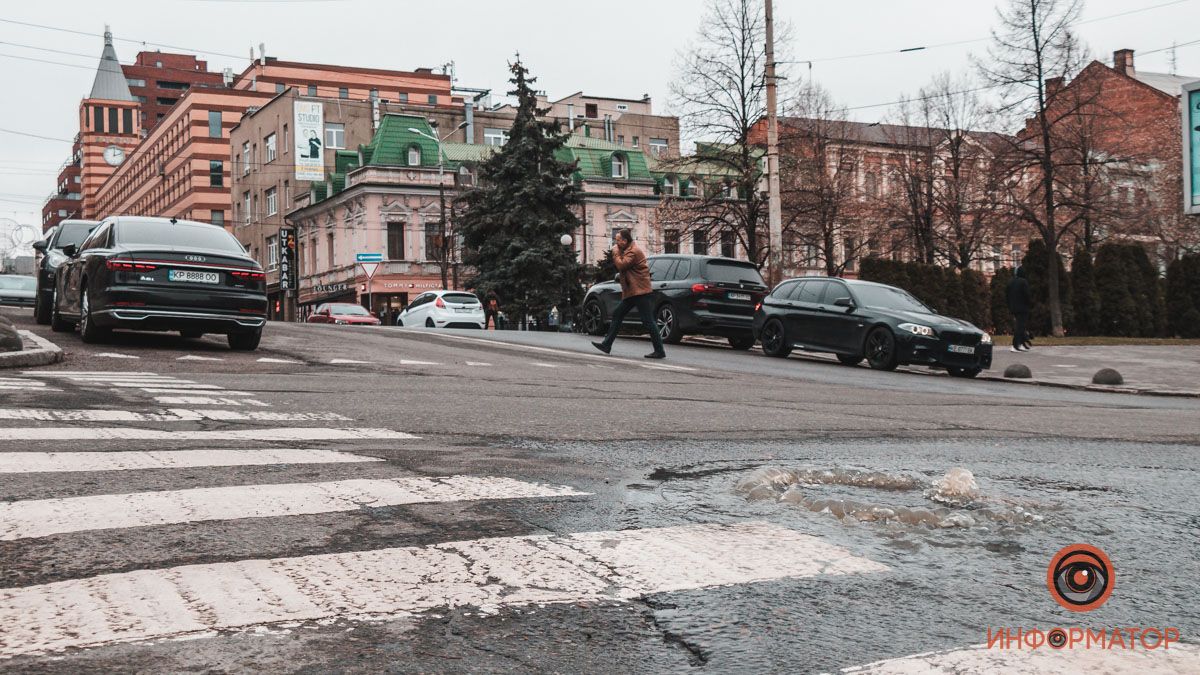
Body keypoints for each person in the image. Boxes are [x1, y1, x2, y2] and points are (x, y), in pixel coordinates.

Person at [592, 228, 666, 359]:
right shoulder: (627, 249)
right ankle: (606, 344)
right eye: (616, 241)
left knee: (648, 321)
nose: (616, 243)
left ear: (625, 241)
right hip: (633, 291)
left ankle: (659, 351)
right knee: (617, 315)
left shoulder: (633, 251)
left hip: (640, 291)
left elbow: (621, 265)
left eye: (619, 240)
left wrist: (614, 252)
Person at [1006, 266, 1032, 352]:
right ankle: (1015, 345)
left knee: (1020, 326)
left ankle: (1021, 344)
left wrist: (1009, 306)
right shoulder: (1023, 282)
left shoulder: (1010, 282)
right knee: (1020, 327)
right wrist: (1029, 304)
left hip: (1013, 308)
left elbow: (1007, 295)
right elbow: (1027, 295)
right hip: (1023, 308)